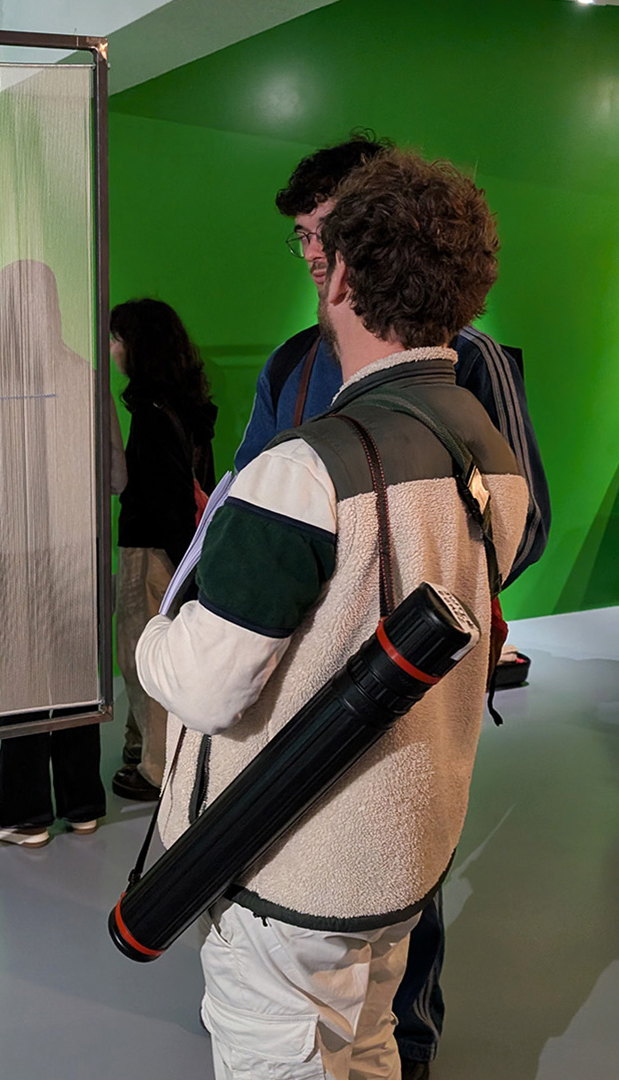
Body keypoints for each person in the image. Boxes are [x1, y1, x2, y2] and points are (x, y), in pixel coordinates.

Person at [135, 151, 529, 1079]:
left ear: (343, 275)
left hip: (288, 872)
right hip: (402, 853)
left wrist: (156, 632)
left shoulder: (301, 472)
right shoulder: (490, 453)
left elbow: (205, 686)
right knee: (368, 1043)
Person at [0, 260, 106, 847]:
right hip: (78, 549)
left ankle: (24, 812)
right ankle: (83, 803)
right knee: (77, 674)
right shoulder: (85, 376)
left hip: (9, 552)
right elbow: (114, 476)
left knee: (21, 677)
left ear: (0, 309)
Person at [109, 299, 217, 802]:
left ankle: (155, 767)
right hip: (178, 550)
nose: (112, 349)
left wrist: (179, 560)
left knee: (140, 658)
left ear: (139, 348)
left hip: (151, 551)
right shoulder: (185, 404)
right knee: (157, 653)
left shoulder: (151, 415)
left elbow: (164, 497)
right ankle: (142, 746)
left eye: (117, 339)